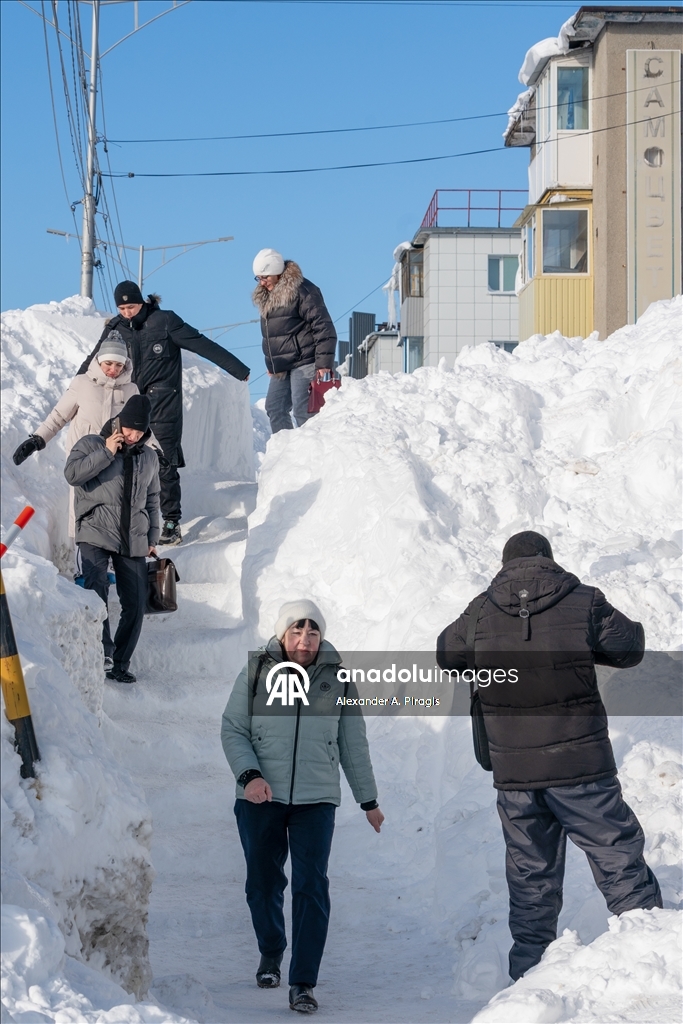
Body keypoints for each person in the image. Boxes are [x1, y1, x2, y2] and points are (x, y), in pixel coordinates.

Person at [436, 530, 662, 982]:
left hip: (516, 775)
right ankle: (653, 958)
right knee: (617, 857)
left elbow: (447, 652)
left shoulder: (481, 608)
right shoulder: (583, 599)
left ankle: (529, 985)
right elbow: (630, 647)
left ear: (505, 566)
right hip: (581, 768)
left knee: (529, 880)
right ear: (548, 560)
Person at [221, 600, 383, 1014]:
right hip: (261, 797)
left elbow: (352, 741)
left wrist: (369, 799)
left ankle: (303, 982)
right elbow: (234, 728)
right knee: (262, 883)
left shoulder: (338, 678)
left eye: (312, 633)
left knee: (312, 886)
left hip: (317, 799)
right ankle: (272, 950)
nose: (305, 640)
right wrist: (249, 777)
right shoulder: (257, 671)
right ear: (282, 634)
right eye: (297, 631)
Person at [76, 281, 250, 547]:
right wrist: (76, 389)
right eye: (122, 308)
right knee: (125, 461)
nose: (127, 313)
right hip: (130, 406)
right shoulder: (115, 328)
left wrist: (239, 369)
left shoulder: (165, 321)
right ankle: (131, 519)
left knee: (164, 461)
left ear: (142, 302)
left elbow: (201, 344)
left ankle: (171, 520)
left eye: (131, 306)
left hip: (163, 404)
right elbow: (94, 361)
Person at [65, 395, 160, 683]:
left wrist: (152, 536)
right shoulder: (91, 444)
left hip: (133, 538)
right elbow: (72, 475)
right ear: (119, 422)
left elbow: (153, 498)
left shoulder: (149, 456)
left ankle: (119, 662)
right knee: (97, 590)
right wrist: (107, 452)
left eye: (140, 431)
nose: (134, 436)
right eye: (130, 429)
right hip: (95, 531)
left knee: (135, 601)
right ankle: (102, 653)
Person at [13, 332, 139, 542]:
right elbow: (59, 416)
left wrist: (158, 453)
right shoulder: (82, 383)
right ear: (98, 360)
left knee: (113, 512)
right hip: (84, 462)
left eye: (119, 365)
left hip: (116, 460)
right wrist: (38, 439)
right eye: (108, 363)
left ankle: (110, 569)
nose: (113, 370)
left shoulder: (131, 390)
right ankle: (82, 567)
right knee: (82, 512)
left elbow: (141, 427)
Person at [252, 249, 337, 434]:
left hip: (305, 360)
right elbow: (273, 333)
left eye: (264, 277)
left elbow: (323, 326)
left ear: (276, 271)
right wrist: (273, 362)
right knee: (274, 407)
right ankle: (286, 453)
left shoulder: (303, 290)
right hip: (283, 366)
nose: (262, 282)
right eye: (258, 278)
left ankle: (313, 454)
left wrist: (324, 364)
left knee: (303, 410)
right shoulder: (266, 296)